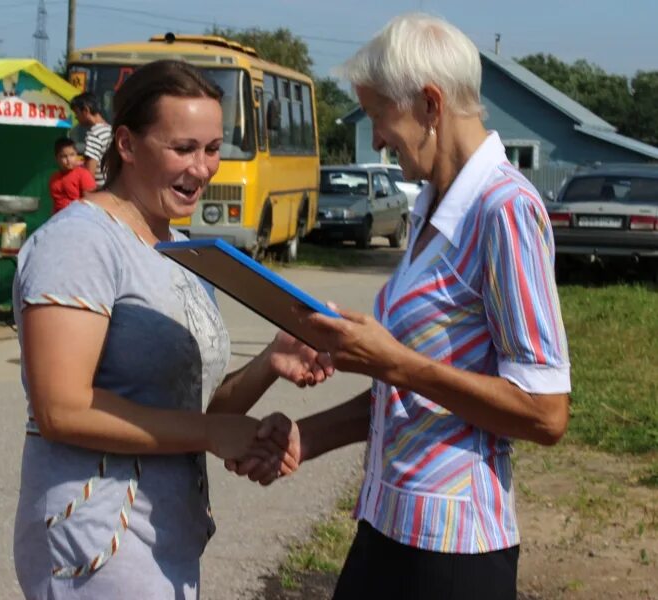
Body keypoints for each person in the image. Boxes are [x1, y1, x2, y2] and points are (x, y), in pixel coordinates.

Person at [231, 13, 571, 600]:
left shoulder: (505, 210)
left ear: (431, 104)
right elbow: (413, 395)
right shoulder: (431, 209)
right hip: (390, 528)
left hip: (454, 554)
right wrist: (306, 438)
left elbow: (544, 413)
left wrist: (391, 360)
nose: (379, 138)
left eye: (380, 117)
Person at [12, 59, 328, 599]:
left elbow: (189, 411)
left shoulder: (178, 246)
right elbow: (60, 409)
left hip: (165, 537)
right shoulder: (79, 244)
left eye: (212, 149)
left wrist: (270, 363)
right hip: (94, 541)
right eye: (184, 148)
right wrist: (211, 434)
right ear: (128, 146)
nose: (204, 168)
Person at [70, 92, 112, 188]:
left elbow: (89, 175)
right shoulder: (109, 130)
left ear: (86, 110)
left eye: (77, 112)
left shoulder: (94, 135)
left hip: (98, 192)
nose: (76, 117)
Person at [48, 137, 97, 213]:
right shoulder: (53, 179)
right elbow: (55, 204)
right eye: (64, 156)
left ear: (76, 155)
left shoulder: (83, 175)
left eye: (72, 155)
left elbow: (91, 201)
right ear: (57, 158)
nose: (68, 160)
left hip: (78, 218)